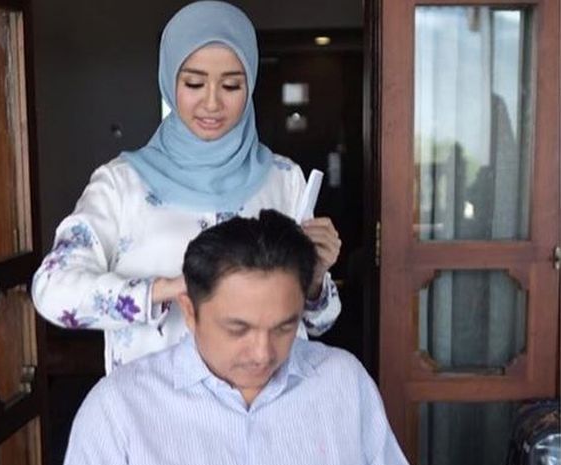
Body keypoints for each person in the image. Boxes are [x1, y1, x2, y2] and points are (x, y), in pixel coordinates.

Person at [31, 1, 342, 373]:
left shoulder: (283, 179)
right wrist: (163, 290)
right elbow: (52, 290)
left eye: (231, 85)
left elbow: (319, 322)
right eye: (194, 83)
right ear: (170, 81)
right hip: (152, 401)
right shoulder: (121, 185)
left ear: (250, 84)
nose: (212, 103)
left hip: (265, 401)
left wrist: (315, 277)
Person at [63, 210, 408, 465]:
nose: (262, 353)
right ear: (190, 311)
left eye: (283, 327)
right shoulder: (119, 407)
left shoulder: (342, 382)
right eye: (238, 329)